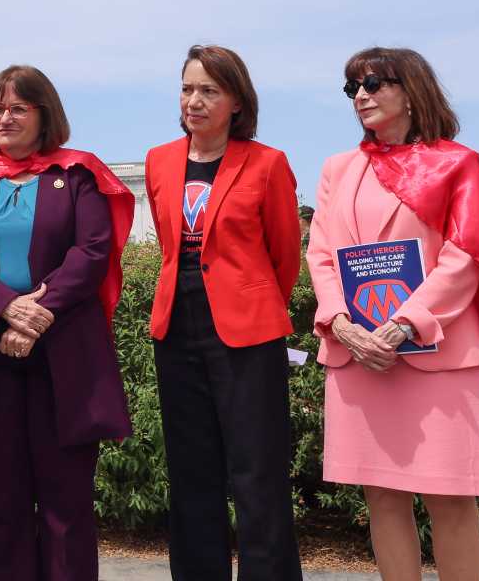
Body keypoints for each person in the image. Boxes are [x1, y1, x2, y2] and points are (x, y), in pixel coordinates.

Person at [307, 47, 479, 581]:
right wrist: (341, 324)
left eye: (374, 83)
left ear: (412, 91)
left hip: (436, 353)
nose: (362, 96)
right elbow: (321, 253)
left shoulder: (459, 164)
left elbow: (467, 256)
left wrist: (403, 324)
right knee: (381, 496)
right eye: (353, 88)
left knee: (452, 499)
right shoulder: (336, 169)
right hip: (357, 355)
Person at [0, 65, 133, 580]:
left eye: (18, 107)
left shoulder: (80, 175)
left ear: (46, 114)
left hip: (64, 357)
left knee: (67, 508)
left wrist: (36, 316)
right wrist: (4, 308)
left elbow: (92, 252)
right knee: (2, 507)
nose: (4, 117)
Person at [144, 44, 303, 580]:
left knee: (257, 473)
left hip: (247, 330)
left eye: (209, 90)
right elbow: (169, 245)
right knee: (191, 472)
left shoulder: (268, 163)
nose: (195, 100)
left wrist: (250, 304)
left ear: (237, 101)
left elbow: (285, 254)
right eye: (187, 89)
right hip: (176, 324)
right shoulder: (159, 161)